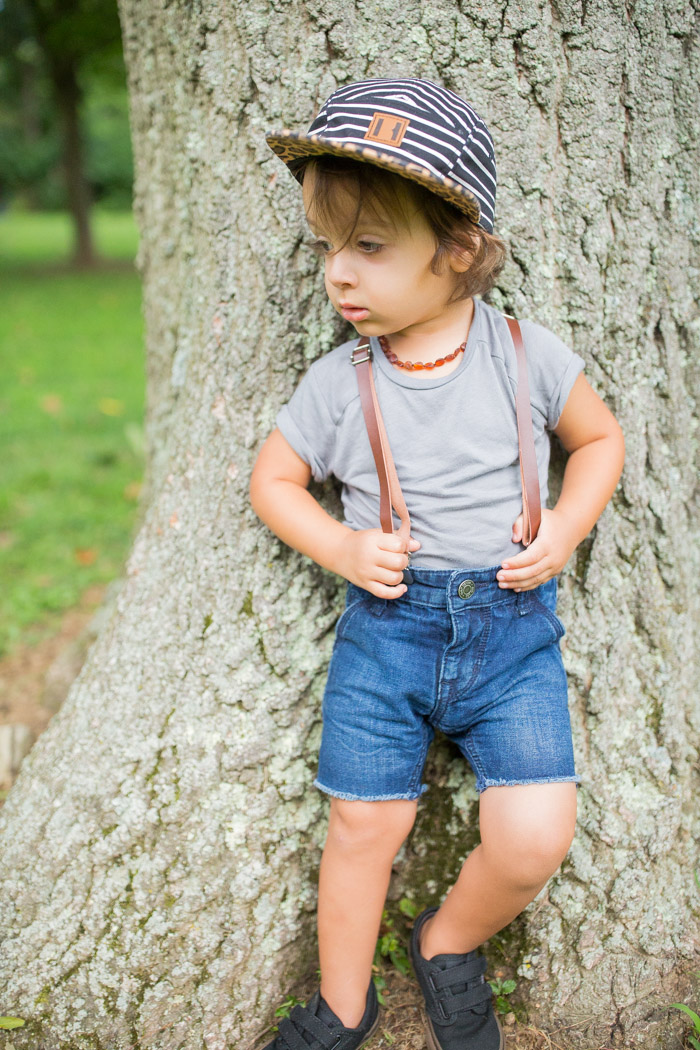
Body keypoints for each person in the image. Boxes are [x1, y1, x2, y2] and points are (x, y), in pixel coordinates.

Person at [250, 78, 625, 1050]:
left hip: (511, 635)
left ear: (456, 249)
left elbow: (597, 442)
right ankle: (341, 1007)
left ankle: (448, 940)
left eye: (367, 247)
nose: (338, 272)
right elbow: (275, 479)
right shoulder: (340, 382)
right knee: (361, 830)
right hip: (385, 635)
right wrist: (339, 543)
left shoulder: (520, 353)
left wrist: (567, 528)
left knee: (535, 834)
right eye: (328, 246)